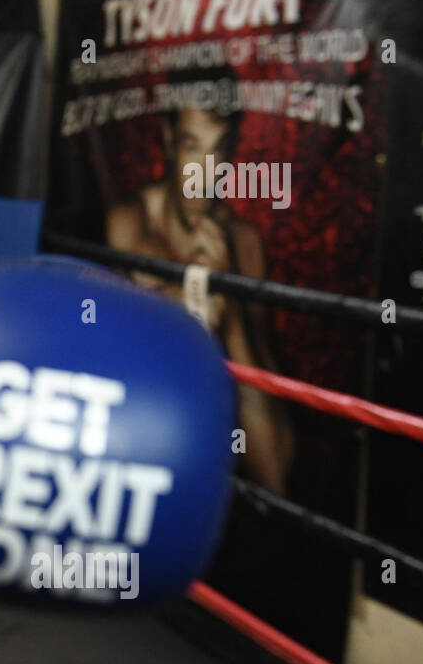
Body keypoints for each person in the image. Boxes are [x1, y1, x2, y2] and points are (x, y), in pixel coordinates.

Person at [105, 95, 294, 495]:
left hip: (214, 467)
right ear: (169, 139)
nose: (204, 175)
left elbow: (274, 470)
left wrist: (230, 313)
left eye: (217, 152)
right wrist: (180, 303)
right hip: (138, 457)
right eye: (193, 148)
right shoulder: (129, 226)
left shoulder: (243, 245)